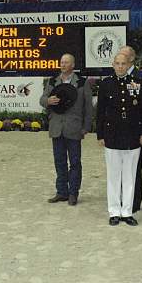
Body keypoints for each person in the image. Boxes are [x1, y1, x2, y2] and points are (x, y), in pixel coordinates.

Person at [97, 53, 142, 226]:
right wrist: (100, 135)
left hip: (132, 136)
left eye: (123, 64)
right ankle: (114, 211)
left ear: (129, 64)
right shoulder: (106, 84)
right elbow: (100, 112)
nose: (120, 67)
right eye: (117, 64)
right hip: (112, 136)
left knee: (129, 176)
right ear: (113, 65)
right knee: (113, 176)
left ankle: (127, 211)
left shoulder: (138, 83)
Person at [40, 53, 93, 206]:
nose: (63, 65)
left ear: (73, 65)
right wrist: (48, 100)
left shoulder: (82, 83)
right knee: (59, 161)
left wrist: (86, 127)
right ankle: (61, 192)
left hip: (74, 128)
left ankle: (73, 193)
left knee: (75, 162)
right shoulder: (52, 81)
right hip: (57, 127)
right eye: (61, 62)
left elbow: (88, 107)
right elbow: (42, 99)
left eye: (66, 62)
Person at [119, 46, 142, 213]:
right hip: (118, 130)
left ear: (131, 58)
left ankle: (134, 201)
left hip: (135, 129)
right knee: (118, 167)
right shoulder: (115, 77)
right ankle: (120, 199)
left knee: (134, 168)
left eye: (123, 55)